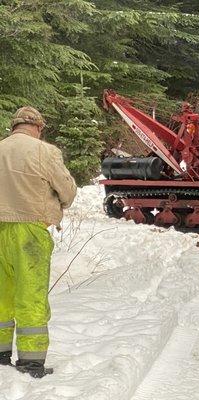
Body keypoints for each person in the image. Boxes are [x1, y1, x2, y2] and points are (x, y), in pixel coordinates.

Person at [0, 107, 77, 378]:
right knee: (30, 295)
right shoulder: (45, 152)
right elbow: (67, 190)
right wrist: (61, 202)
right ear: (38, 127)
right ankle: (31, 362)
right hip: (29, 231)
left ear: (14, 126)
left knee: (2, 294)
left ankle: (1, 355)